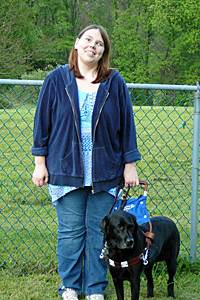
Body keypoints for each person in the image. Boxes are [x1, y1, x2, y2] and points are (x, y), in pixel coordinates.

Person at [31, 25, 141, 300]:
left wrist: (130, 165)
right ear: (78, 44)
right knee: (70, 233)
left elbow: (127, 126)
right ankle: (70, 286)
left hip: (105, 170)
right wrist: (39, 163)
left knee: (99, 234)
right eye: (88, 40)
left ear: (104, 51)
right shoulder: (56, 79)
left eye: (100, 43)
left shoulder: (114, 81)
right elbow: (42, 124)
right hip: (65, 168)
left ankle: (94, 289)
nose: (93, 46)